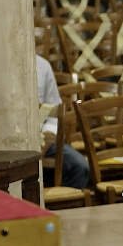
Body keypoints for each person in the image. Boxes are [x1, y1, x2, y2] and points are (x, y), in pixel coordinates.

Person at [36, 54, 90, 189]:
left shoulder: (42, 65)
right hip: (10, 144)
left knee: (79, 166)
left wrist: (47, 136)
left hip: (43, 139)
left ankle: (66, 209)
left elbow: (54, 109)